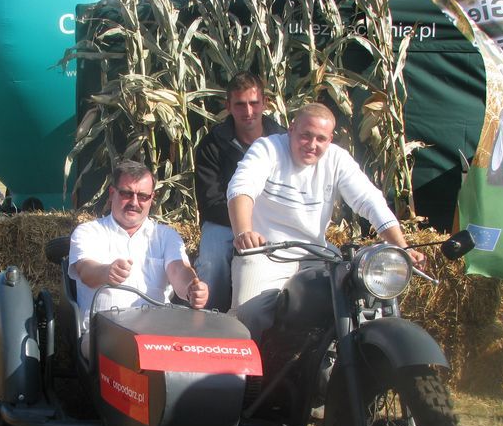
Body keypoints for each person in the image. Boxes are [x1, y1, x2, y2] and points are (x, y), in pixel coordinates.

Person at [227, 102, 425, 342]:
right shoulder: (268, 149)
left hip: (315, 253)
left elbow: (369, 200)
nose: (312, 145)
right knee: (251, 314)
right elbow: (242, 188)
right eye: (305, 135)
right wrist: (244, 231)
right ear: (291, 129)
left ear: (330, 139)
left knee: (355, 302)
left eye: (321, 139)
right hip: (265, 252)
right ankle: (250, 378)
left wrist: (401, 247)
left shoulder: (337, 159)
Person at [68, 160, 208, 355]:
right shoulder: (89, 232)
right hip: (103, 333)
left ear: (152, 198)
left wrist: (193, 289)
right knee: (132, 354)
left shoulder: (166, 236)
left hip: (158, 335)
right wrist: (106, 272)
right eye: (127, 193)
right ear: (112, 193)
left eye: (143, 196)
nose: (134, 202)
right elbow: (86, 271)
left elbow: (178, 270)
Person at [194, 72, 286, 312]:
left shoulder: (284, 140)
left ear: (265, 103)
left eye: (254, 103)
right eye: (240, 104)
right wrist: (243, 226)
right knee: (213, 257)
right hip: (224, 223)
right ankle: (210, 319)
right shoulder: (211, 144)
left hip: (274, 221)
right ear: (228, 106)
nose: (248, 111)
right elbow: (210, 202)